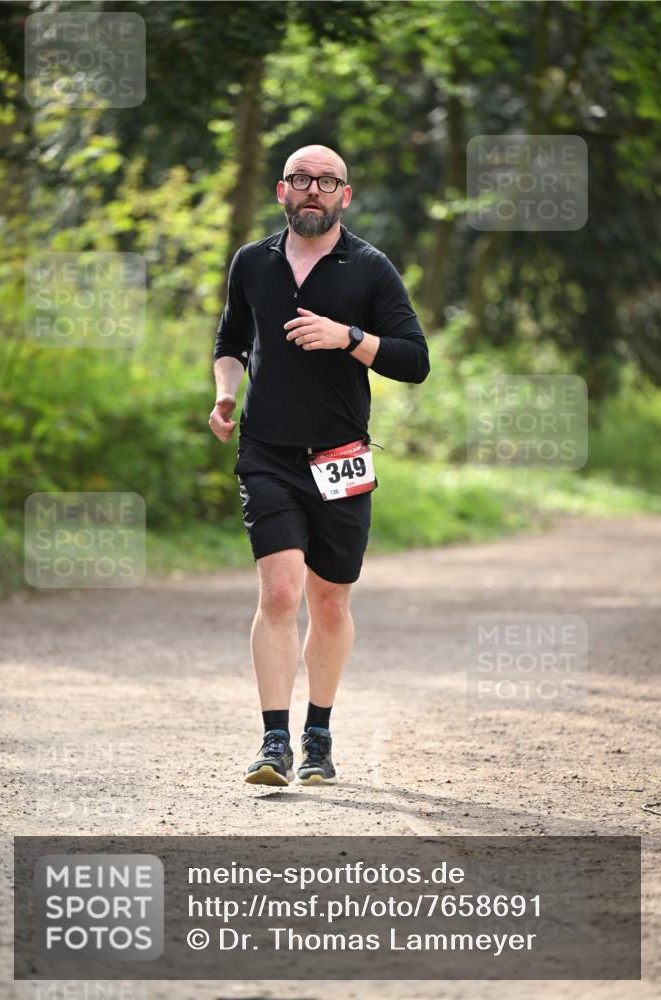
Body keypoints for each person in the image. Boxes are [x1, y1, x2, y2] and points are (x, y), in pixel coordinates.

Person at [210, 144, 429, 787]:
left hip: (340, 457)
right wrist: (225, 393)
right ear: (282, 190)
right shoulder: (253, 261)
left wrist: (349, 338)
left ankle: (319, 735)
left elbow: (415, 360)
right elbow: (231, 340)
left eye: (327, 182)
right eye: (301, 179)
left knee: (329, 602)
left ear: (345, 196)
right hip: (267, 454)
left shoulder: (370, 268)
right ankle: (273, 741)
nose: (313, 190)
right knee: (280, 592)